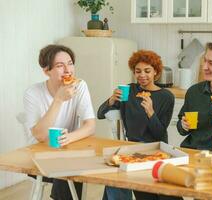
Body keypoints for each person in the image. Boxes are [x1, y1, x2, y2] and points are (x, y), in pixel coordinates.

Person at [98, 50, 181, 200]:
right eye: (138, 71)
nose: (142, 75)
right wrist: (111, 100)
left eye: (147, 71)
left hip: (155, 149)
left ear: (156, 72)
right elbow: (99, 114)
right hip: (131, 148)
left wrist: (150, 112)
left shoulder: (166, 97)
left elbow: (160, 134)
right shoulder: (129, 91)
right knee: (114, 176)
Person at [24, 44, 96, 200]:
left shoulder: (80, 86)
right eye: (59, 66)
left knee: (74, 164)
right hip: (37, 157)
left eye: (70, 63)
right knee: (68, 167)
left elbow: (90, 126)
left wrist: (68, 138)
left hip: (66, 153)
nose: (68, 70)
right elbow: (40, 136)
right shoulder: (33, 93)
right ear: (46, 71)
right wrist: (58, 99)